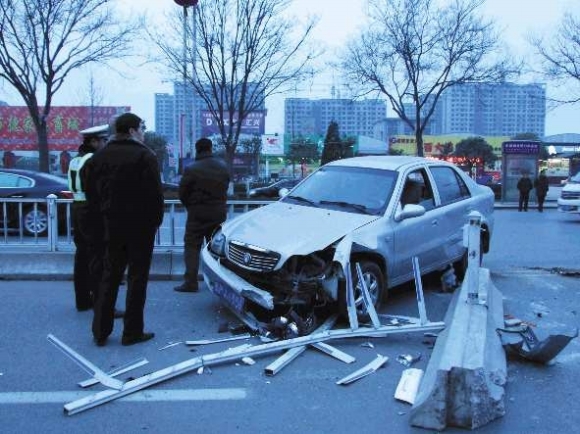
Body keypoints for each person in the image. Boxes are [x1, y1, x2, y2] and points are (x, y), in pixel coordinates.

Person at [85, 112, 164, 346]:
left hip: (111, 225)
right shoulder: (145, 156)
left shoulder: (99, 157)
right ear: (131, 131)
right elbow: (155, 195)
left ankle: (100, 331)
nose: (143, 133)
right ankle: (132, 332)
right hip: (140, 227)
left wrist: (101, 222)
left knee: (110, 275)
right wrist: (155, 222)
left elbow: (91, 195)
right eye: (141, 128)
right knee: (137, 278)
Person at [175, 137, 230, 293]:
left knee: (192, 246)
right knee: (215, 248)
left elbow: (182, 193)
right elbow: (225, 188)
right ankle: (219, 282)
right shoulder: (222, 167)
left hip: (197, 214)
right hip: (218, 213)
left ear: (197, 149)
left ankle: (191, 282)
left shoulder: (192, 169)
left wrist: (191, 206)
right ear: (210, 148)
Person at [67, 124, 109, 312]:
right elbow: (98, 189)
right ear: (94, 141)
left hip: (77, 208)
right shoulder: (93, 160)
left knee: (82, 256)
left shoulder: (76, 159)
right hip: (91, 211)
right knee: (97, 257)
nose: (105, 144)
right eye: (103, 140)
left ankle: (82, 300)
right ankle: (101, 303)